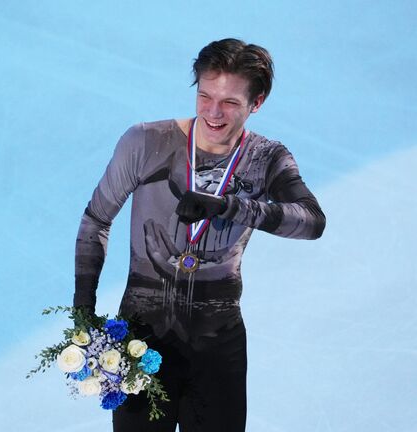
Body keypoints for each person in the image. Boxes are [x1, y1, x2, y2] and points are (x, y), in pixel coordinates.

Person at [73, 38, 326, 432]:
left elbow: (312, 222)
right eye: (205, 95)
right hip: (143, 338)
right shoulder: (145, 142)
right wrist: (83, 304)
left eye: (229, 102)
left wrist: (229, 206)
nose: (213, 111)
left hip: (218, 343)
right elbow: (96, 220)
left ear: (256, 103)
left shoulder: (267, 159)